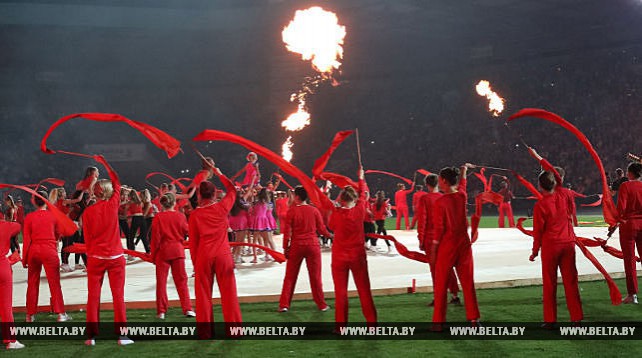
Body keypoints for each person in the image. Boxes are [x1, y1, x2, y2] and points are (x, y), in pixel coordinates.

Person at [81, 155, 133, 346]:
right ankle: (123, 336)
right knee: (118, 296)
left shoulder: (87, 212)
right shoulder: (113, 205)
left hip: (95, 257)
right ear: (109, 192)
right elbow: (117, 181)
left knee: (93, 297)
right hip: (115, 257)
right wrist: (105, 164)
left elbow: (86, 238)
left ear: (95, 193)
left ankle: (91, 336)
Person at [188, 167, 242, 339]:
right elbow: (232, 190)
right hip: (223, 255)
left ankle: (205, 332)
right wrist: (219, 173)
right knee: (229, 293)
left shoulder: (195, 215)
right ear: (214, 194)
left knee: (203, 295)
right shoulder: (222, 207)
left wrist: (196, 263)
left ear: (200, 196)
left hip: (204, 255)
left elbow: (193, 243)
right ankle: (234, 331)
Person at [530, 170, 583, 326]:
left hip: (551, 246)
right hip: (568, 244)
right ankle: (576, 318)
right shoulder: (565, 195)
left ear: (540, 186)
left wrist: (534, 251)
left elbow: (538, 232)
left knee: (550, 283)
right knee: (571, 281)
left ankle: (550, 320)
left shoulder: (540, 205)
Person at [431, 164, 480, 329]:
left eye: (439, 180)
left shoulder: (440, 202)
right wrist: (464, 171)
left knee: (441, 284)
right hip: (464, 244)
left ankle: (438, 322)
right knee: (467, 282)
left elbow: (439, 229)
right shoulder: (462, 196)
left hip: (447, 245)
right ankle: (474, 319)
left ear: (444, 181)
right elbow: (463, 185)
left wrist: (434, 248)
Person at [329, 168, 377, 330]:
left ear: (342, 199)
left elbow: (330, 226)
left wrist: (336, 208)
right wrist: (361, 178)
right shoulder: (360, 209)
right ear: (354, 199)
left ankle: (341, 326)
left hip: (339, 257)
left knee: (341, 293)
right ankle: (372, 324)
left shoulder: (337, 213)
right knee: (364, 290)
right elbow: (364, 194)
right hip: (357, 256)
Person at [278, 186, 332, 312]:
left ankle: (284, 305)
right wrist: (331, 236)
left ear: (297, 197)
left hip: (297, 246)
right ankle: (321, 304)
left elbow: (287, 233)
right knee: (315, 276)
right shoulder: (314, 211)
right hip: (313, 245)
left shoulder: (292, 211)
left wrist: (286, 248)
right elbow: (322, 229)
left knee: (290, 276)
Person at [22, 190, 70, 323]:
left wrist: (24, 259)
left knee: (32, 283)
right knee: (54, 283)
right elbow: (59, 233)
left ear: (34, 202)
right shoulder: (52, 215)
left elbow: (26, 239)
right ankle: (60, 314)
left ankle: (30, 315)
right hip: (49, 250)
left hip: (34, 250)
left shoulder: (29, 217)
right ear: (46, 200)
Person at [416, 174, 460, 306]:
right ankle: (454, 295)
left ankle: (439, 297)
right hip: (445, 237)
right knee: (448, 267)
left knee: (435, 270)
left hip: (431, 239)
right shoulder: (444, 197)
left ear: (427, 184)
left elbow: (422, 220)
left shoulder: (425, 198)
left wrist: (421, 239)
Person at [151, 193, 195, 319]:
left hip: (162, 252)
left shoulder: (158, 217)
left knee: (161, 283)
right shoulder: (180, 216)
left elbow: (155, 239)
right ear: (174, 203)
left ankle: (161, 311)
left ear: (162, 204)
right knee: (182, 282)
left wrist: (153, 256)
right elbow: (188, 231)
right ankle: (188, 309)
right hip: (177, 251)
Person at [616, 162, 642, 304]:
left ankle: (632, 295)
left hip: (629, 226)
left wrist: (616, 221)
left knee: (630, 260)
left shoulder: (625, 186)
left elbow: (621, 209)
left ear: (630, 173)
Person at [0, 217, 24, 349]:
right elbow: (18, 226)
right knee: (6, 306)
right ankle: (11, 340)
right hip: (2, 266)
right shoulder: (5, 225)